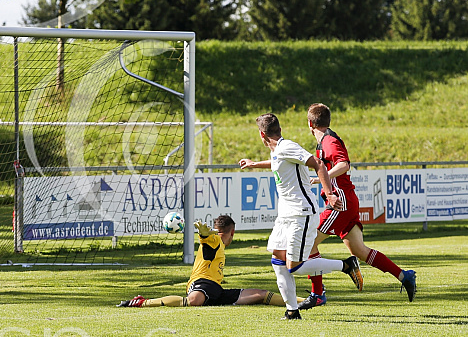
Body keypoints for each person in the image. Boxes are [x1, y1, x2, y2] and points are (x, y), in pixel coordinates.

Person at [239, 113, 363, 320]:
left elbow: (319, 164)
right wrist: (253, 164)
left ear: (262, 135)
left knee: (294, 266)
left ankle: (346, 265)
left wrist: (330, 194)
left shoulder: (287, 147)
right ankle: (292, 311)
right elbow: (277, 162)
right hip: (285, 216)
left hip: (301, 213)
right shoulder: (278, 151)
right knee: (278, 259)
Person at [299, 103, 417, 310]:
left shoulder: (329, 141)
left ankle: (318, 294)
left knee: (308, 243)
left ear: (310, 123)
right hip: (348, 201)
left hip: (340, 202)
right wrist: (321, 179)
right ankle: (403, 276)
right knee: (360, 250)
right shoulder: (325, 141)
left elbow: (344, 164)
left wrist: (322, 177)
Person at [117, 215, 305, 308]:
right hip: (202, 284)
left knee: (261, 294)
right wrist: (204, 234)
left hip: (216, 289)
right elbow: (207, 240)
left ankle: (305, 301)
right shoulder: (215, 240)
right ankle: (143, 302)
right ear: (232, 232)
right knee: (194, 300)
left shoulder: (219, 243)